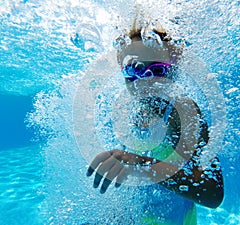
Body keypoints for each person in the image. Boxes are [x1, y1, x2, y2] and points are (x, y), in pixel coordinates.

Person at [86, 19, 224, 224]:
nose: (145, 80)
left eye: (157, 70)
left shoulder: (183, 112)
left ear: (173, 70)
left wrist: (138, 163)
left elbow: (212, 195)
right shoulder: (130, 110)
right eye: (133, 70)